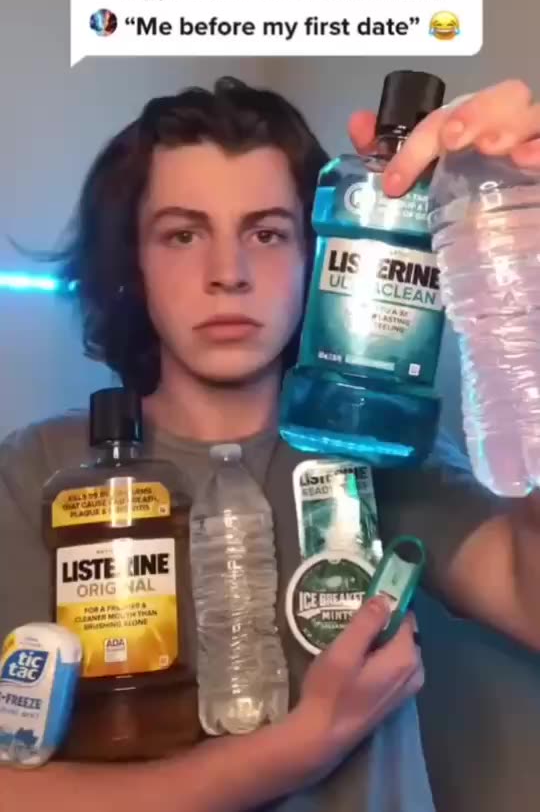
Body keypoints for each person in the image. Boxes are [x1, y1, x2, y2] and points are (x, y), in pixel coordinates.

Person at [1, 75, 540, 812]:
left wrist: (519, 260)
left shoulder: (375, 447)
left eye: (267, 233)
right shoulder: (39, 472)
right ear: (133, 264)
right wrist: (296, 750)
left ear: (322, 251)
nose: (228, 275)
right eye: (183, 234)